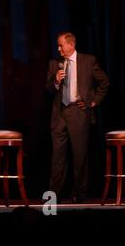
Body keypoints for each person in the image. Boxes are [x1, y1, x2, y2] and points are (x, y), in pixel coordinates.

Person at [46, 32, 109, 203]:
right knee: (57, 157)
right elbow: (48, 89)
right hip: (59, 113)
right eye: (58, 46)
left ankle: (79, 194)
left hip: (78, 112)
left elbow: (104, 82)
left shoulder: (88, 61)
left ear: (71, 45)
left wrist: (93, 102)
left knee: (79, 155)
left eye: (61, 45)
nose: (58, 49)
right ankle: (53, 195)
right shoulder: (55, 63)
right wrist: (56, 81)